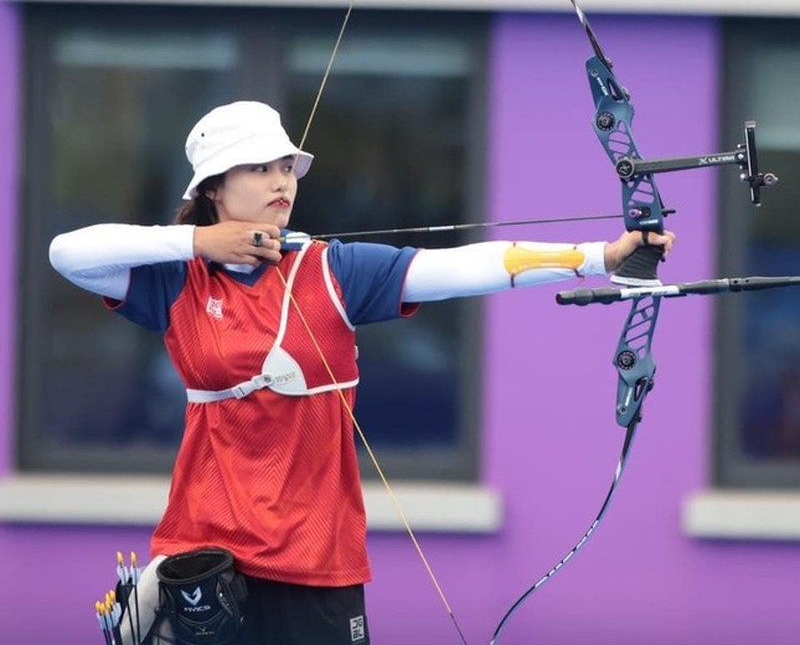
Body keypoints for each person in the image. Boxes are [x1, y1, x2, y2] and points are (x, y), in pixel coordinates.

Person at [49, 100, 675, 645]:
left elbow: (463, 266)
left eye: (286, 166)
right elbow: (66, 253)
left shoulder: (332, 269)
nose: (281, 181)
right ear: (213, 187)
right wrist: (198, 244)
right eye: (259, 167)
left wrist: (602, 256)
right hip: (203, 563)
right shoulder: (175, 280)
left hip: (314, 561)